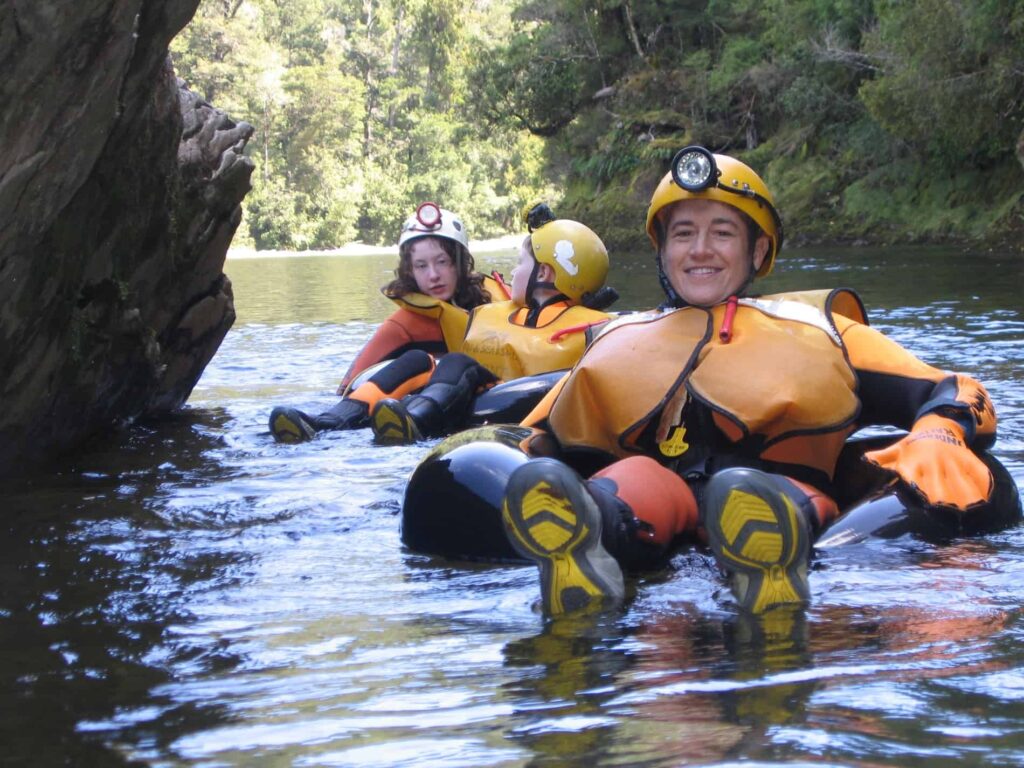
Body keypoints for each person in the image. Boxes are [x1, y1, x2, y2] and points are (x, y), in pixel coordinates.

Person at [498, 145, 998, 616]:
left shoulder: (824, 327)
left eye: (721, 233)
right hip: (658, 501)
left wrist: (941, 432)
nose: (700, 250)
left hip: (785, 491)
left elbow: (952, 387)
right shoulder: (615, 336)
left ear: (757, 250)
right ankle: (588, 537)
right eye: (683, 233)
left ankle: (769, 554)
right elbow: (531, 433)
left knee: (764, 495)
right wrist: (496, 465)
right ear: (663, 249)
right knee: (633, 482)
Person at [369, 205, 617, 445]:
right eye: (421, 265)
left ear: (543, 274)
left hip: (527, 407)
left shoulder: (597, 328)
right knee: (439, 362)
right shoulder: (504, 311)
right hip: (494, 402)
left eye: (520, 263)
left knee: (457, 362)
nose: (514, 271)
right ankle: (397, 415)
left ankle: (419, 421)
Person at [268, 203, 495, 443]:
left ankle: (414, 420)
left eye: (442, 262)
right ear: (410, 270)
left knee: (455, 361)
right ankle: (326, 423)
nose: (433, 275)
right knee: (418, 359)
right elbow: (348, 385)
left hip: (492, 391)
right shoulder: (402, 327)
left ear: (459, 262)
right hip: (425, 407)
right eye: (421, 266)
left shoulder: (495, 305)